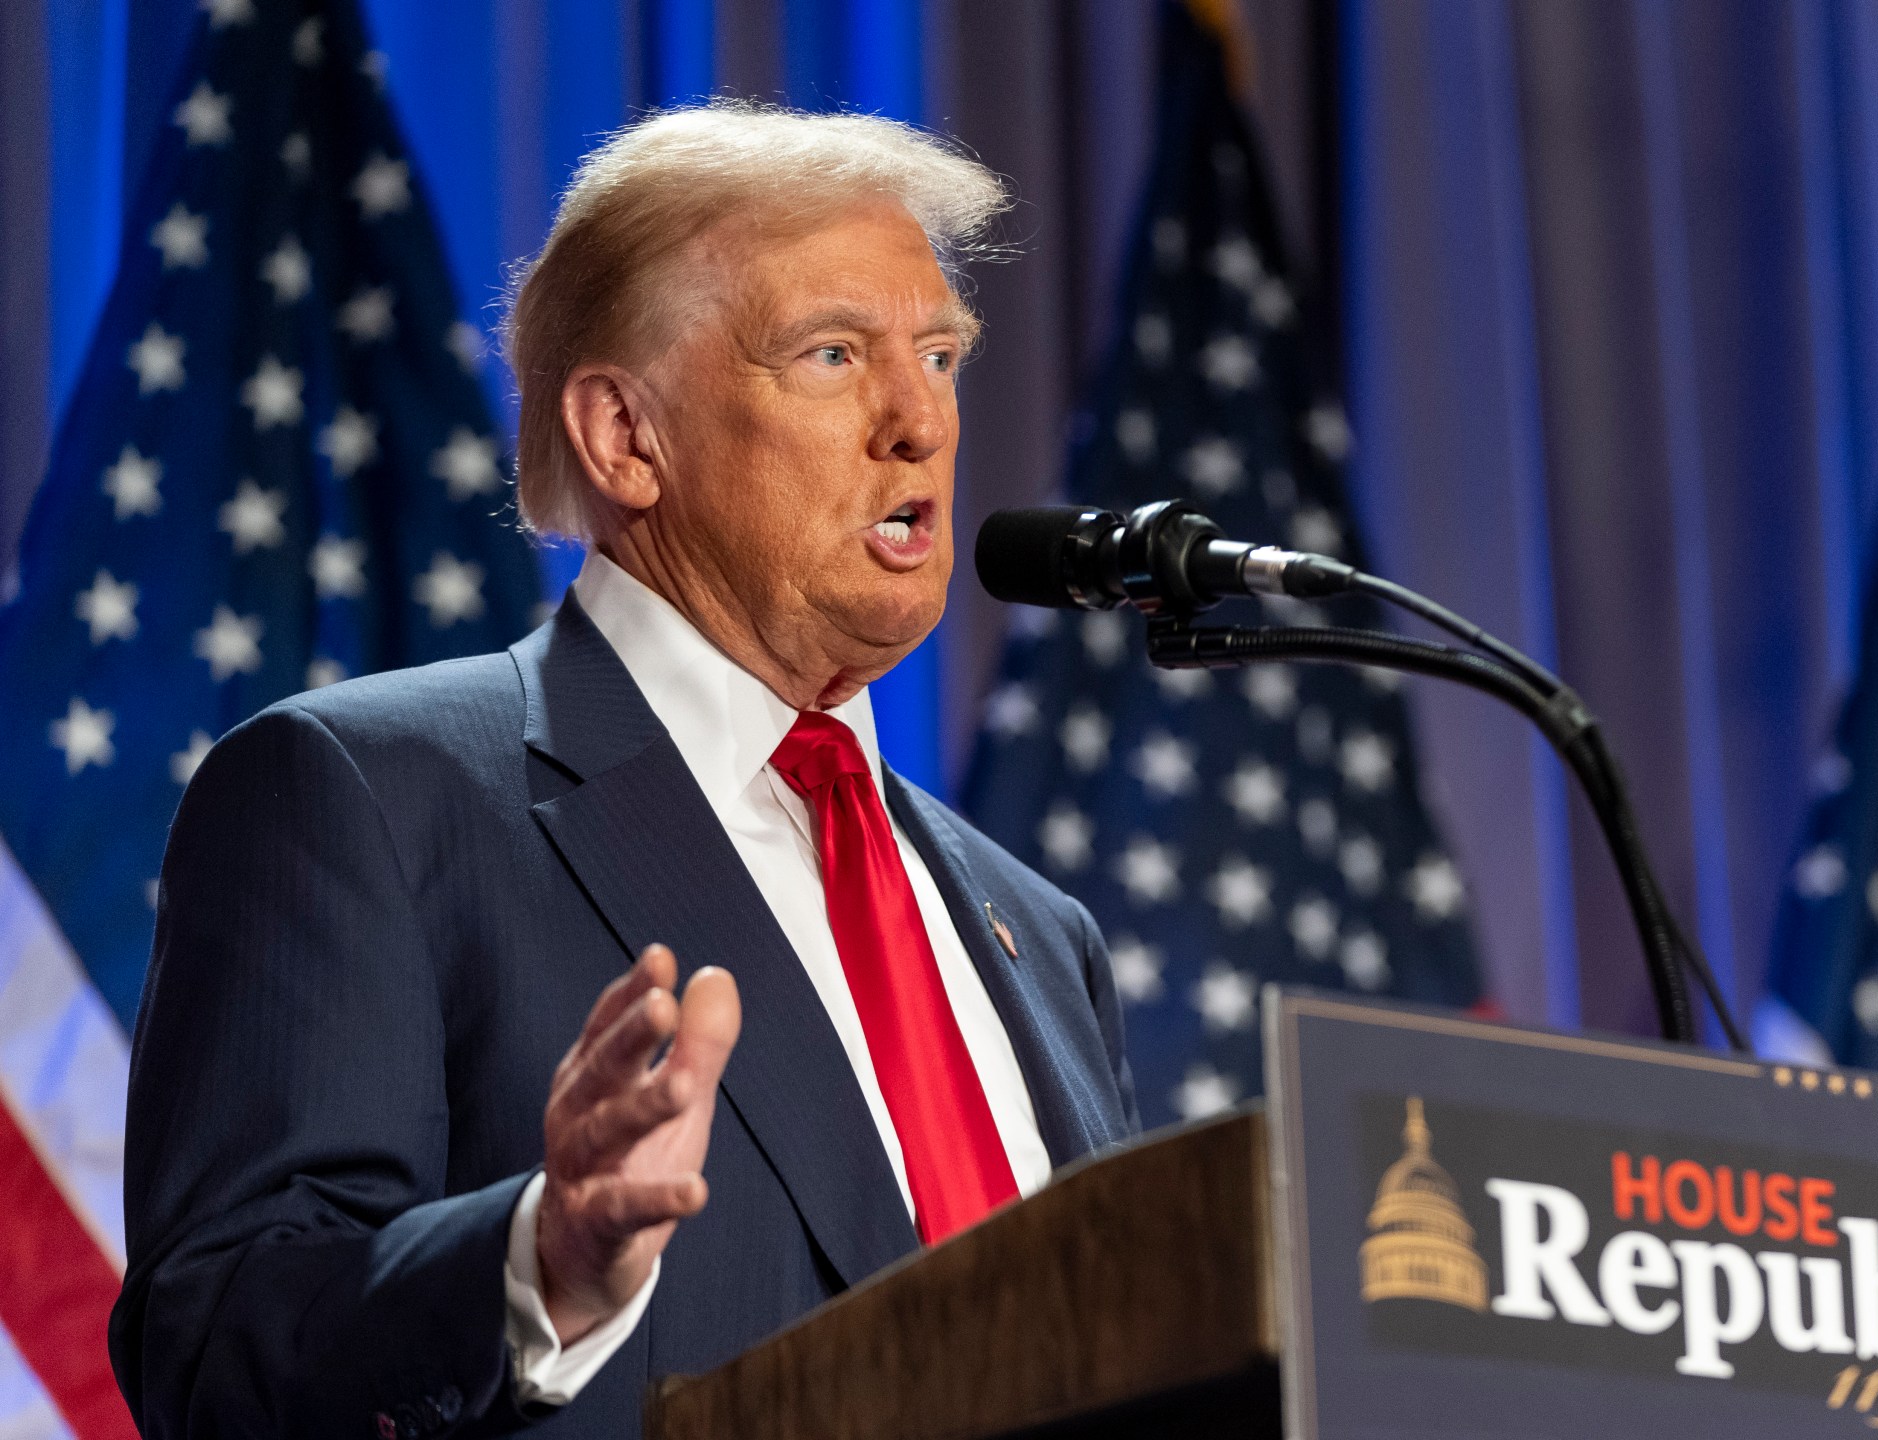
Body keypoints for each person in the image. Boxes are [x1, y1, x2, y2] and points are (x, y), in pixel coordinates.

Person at [110, 103, 1142, 1439]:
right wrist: (538, 1258)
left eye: (938, 353)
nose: (918, 423)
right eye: (833, 353)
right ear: (623, 438)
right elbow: (217, 1345)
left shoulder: (1040, 936)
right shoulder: (363, 796)